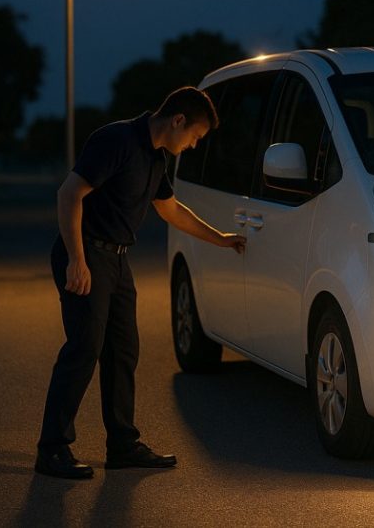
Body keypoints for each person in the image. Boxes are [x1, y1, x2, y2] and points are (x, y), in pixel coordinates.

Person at [35, 86, 245, 480]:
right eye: (195, 137)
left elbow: (171, 210)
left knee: (123, 351)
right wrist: (77, 260)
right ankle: (53, 449)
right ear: (177, 120)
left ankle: (122, 445)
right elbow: (69, 194)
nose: (194, 145)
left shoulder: (156, 158)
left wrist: (221, 239)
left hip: (116, 260)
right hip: (86, 254)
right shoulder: (116, 140)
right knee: (84, 348)